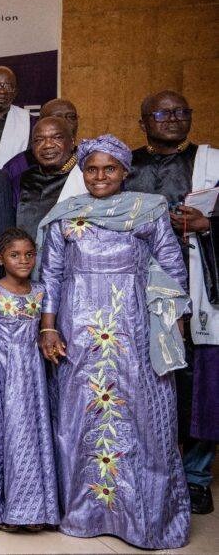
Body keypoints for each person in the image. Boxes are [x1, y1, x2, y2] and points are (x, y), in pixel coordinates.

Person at [37, 135, 190, 549]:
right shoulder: (64, 217)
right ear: (81, 172)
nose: (100, 176)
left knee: (141, 419)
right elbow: (49, 276)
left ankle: (143, 519)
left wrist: (174, 324)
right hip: (77, 330)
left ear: (125, 171)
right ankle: (86, 514)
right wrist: (48, 328)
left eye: (109, 169)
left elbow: (173, 268)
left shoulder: (148, 210)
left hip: (135, 329)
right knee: (80, 418)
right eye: (91, 169)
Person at [124, 90, 219, 514]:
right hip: (134, 291)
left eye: (182, 111)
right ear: (143, 122)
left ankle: (196, 476)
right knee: (141, 378)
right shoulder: (123, 166)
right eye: (161, 113)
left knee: (200, 384)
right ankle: (145, 467)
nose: (173, 119)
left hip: (199, 287)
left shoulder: (211, 163)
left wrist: (208, 223)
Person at [0, 228, 59, 532]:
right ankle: (7, 509)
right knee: (4, 435)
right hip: (1, 375)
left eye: (29, 254)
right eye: (15, 255)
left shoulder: (41, 293)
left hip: (33, 374)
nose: (24, 260)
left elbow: (47, 332)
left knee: (34, 434)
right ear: (0, 258)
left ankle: (36, 509)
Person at [13, 117, 85, 240]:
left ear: (72, 142)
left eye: (57, 138)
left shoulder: (87, 177)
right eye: (39, 140)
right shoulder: (21, 180)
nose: (47, 145)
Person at [2, 98, 80, 182]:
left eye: (71, 117)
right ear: (39, 123)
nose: (64, 123)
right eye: (55, 118)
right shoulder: (17, 167)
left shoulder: (88, 161)